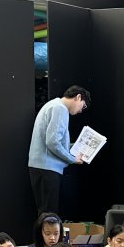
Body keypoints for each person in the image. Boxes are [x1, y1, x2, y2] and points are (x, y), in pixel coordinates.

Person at [28, 85, 90, 217]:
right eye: (83, 106)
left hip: (41, 166)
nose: (81, 111)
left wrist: (76, 147)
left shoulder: (53, 105)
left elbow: (54, 141)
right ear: (78, 97)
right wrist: (72, 159)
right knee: (49, 215)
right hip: (47, 168)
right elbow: (53, 142)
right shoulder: (60, 109)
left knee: (45, 212)